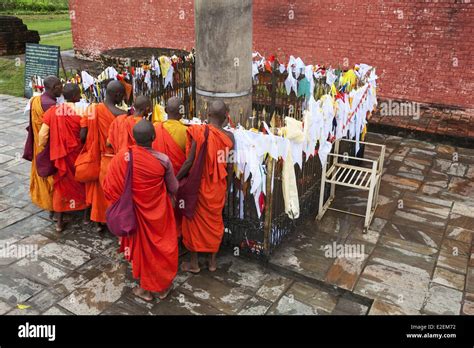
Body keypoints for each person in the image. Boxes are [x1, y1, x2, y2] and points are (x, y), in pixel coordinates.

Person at [103, 120, 179, 301]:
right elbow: (174, 188)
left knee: (142, 249)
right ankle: (161, 288)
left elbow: (109, 186)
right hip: (158, 213)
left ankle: (145, 289)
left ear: (133, 138)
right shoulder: (163, 160)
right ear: (154, 137)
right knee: (160, 247)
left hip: (134, 213)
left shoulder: (122, 156)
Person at [177, 100, 234, 273]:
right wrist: (226, 187)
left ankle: (194, 263)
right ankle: (212, 262)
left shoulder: (200, 132)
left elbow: (189, 162)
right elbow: (229, 166)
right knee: (215, 222)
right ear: (226, 116)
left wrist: (174, 179)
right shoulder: (229, 137)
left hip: (200, 187)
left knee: (193, 222)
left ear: (207, 114)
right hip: (217, 187)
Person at [38, 83, 87, 232]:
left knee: (60, 185)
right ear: (74, 97)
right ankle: (85, 217)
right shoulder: (83, 111)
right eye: (79, 94)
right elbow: (84, 136)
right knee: (82, 183)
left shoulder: (54, 111)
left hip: (60, 156)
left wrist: (49, 146)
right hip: (77, 155)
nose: (80, 97)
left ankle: (59, 223)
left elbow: (42, 136)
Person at [79, 80, 126, 232]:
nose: (124, 98)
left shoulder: (93, 109)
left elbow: (83, 134)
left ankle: (99, 221)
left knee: (100, 191)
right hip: (116, 160)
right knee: (115, 192)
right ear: (117, 94)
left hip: (98, 156)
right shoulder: (123, 116)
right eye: (123, 95)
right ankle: (114, 223)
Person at [29, 75, 62, 218]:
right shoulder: (51, 106)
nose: (63, 87)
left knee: (44, 174)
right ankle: (53, 207)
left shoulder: (36, 100)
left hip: (39, 144)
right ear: (54, 88)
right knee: (52, 177)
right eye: (60, 85)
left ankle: (51, 207)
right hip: (48, 148)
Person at [152, 96, 187, 175]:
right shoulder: (186, 131)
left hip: (157, 173)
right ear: (182, 111)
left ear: (165, 110)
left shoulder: (155, 127)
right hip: (178, 175)